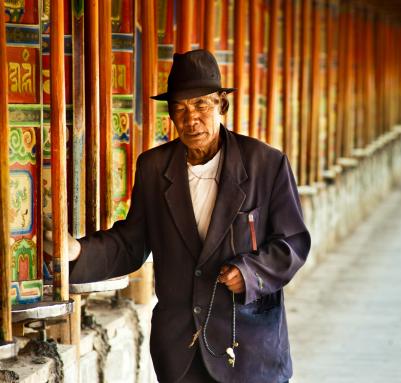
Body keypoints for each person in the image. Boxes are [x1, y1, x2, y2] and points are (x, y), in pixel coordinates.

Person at [44, 49, 310, 383]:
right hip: (182, 353)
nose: (190, 119)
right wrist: (78, 252)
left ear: (221, 105)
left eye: (201, 105)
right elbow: (131, 243)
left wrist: (250, 271)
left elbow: (293, 244)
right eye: (180, 109)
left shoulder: (265, 164)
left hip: (249, 347)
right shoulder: (155, 168)